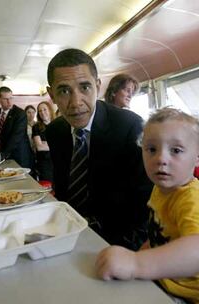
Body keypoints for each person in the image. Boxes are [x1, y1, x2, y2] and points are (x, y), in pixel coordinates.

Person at [96, 107, 199, 304]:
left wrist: (136, 263)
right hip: (167, 280)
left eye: (175, 150)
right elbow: (161, 235)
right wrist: (139, 254)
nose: (160, 159)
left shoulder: (194, 197)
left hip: (192, 294)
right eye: (151, 149)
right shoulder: (161, 188)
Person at [45, 48, 152, 250]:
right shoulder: (55, 131)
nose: (76, 103)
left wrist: (126, 251)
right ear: (51, 94)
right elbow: (63, 189)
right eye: (64, 91)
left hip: (117, 241)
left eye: (84, 87)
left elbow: (145, 203)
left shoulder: (130, 127)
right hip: (67, 235)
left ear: (98, 86)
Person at [0, 86, 33, 168]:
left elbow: (16, 137)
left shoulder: (20, 114)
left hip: (19, 155)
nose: (9, 102)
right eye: (5, 99)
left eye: (11, 98)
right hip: (3, 155)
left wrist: (2, 155)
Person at [32, 101, 55, 181]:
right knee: (47, 188)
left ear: (50, 110)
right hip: (44, 163)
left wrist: (46, 144)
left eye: (45, 109)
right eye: (40, 111)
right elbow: (39, 147)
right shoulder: (36, 127)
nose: (42, 112)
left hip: (58, 161)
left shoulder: (58, 124)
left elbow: (64, 144)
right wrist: (57, 145)